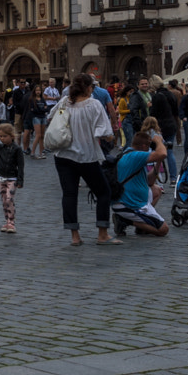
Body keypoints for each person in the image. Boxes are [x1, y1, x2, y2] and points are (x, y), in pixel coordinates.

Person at [48, 74, 118, 247]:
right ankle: (102, 233)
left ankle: (75, 236)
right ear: (88, 88)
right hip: (86, 156)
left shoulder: (65, 101)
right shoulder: (94, 104)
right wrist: (111, 137)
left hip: (63, 155)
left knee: (69, 194)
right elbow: (104, 132)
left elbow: (50, 116)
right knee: (103, 192)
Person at [111, 118, 171, 238]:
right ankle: (124, 220)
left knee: (156, 190)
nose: (150, 149)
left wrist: (158, 162)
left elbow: (150, 181)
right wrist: (159, 141)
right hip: (129, 204)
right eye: (148, 146)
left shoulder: (129, 152)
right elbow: (163, 153)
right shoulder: (135, 156)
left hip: (133, 200)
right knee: (163, 230)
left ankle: (142, 224)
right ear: (143, 146)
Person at [0, 122, 25, 233]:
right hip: (1, 176)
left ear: (11, 136)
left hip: (12, 177)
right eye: (0, 136)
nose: (2, 139)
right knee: (4, 200)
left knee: (9, 198)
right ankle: (7, 221)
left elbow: (21, 165)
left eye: (4, 136)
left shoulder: (17, 149)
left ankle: (11, 222)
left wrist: (20, 180)